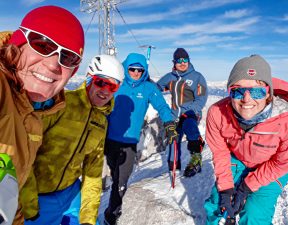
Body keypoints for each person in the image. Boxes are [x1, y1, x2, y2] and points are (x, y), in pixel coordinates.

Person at [0, 5, 84, 224]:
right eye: (42, 45)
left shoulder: (35, 115)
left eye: (68, 57)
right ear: (18, 44)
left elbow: (11, 193)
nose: (54, 64)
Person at [20, 55, 124, 225]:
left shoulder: (101, 121)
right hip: (37, 197)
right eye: (100, 82)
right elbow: (25, 150)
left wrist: (89, 218)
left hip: (71, 193)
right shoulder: (61, 104)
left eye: (112, 86)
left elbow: (93, 172)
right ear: (89, 78)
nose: (105, 90)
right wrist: (28, 200)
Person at [204, 54, 288, 225]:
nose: (246, 99)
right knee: (219, 203)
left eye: (257, 91)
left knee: (255, 214)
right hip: (239, 159)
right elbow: (220, 151)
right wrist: (226, 190)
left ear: (269, 94)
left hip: (274, 166)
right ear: (229, 92)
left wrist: (246, 187)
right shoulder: (217, 113)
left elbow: (281, 163)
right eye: (238, 91)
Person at [104, 53, 177, 225]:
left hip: (129, 143)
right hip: (109, 140)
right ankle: (112, 203)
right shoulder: (116, 83)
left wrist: (169, 124)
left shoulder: (148, 88)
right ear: (125, 68)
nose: (136, 72)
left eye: (140, 70)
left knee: (121, 179)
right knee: (115, 175)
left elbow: (162, 107)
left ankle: (111, 214)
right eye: (132, 69)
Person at [157, 48, 208, 177]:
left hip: (191, 113)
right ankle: (173, 166)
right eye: (179, 60)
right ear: (174, 62)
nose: (182, 63)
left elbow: (201, 98)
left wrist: (190, 111)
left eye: (185, 60)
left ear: (189, 60)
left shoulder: (197, 77)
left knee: (189, 125)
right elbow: (157, 88)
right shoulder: (171, 77)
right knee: (174, 139)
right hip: (174, 115)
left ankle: (196, 158)